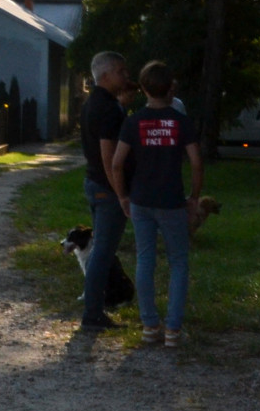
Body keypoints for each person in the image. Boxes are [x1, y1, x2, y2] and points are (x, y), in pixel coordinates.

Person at [112, 61, 203, 347]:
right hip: (172, 202)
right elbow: (197, 163)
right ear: (170, 87)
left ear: (143, 88)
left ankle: (150, 326)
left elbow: (116, 163)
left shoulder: (133, 121)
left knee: (145, 260)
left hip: (141, 200)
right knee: (178, 262)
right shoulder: (181, 121)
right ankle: (173, 330)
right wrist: (194, 197)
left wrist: (122, 196)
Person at [79, 51, 132, 331]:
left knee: (102, 250)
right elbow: (111, 159)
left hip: (95, 183)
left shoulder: (93, 103)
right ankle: (93, 313)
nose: (127, 76)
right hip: (107, 189)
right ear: (106, 75)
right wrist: (122, 194)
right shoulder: (107, 108)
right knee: (103, 252)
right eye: (122, 71)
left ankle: (95, 308)